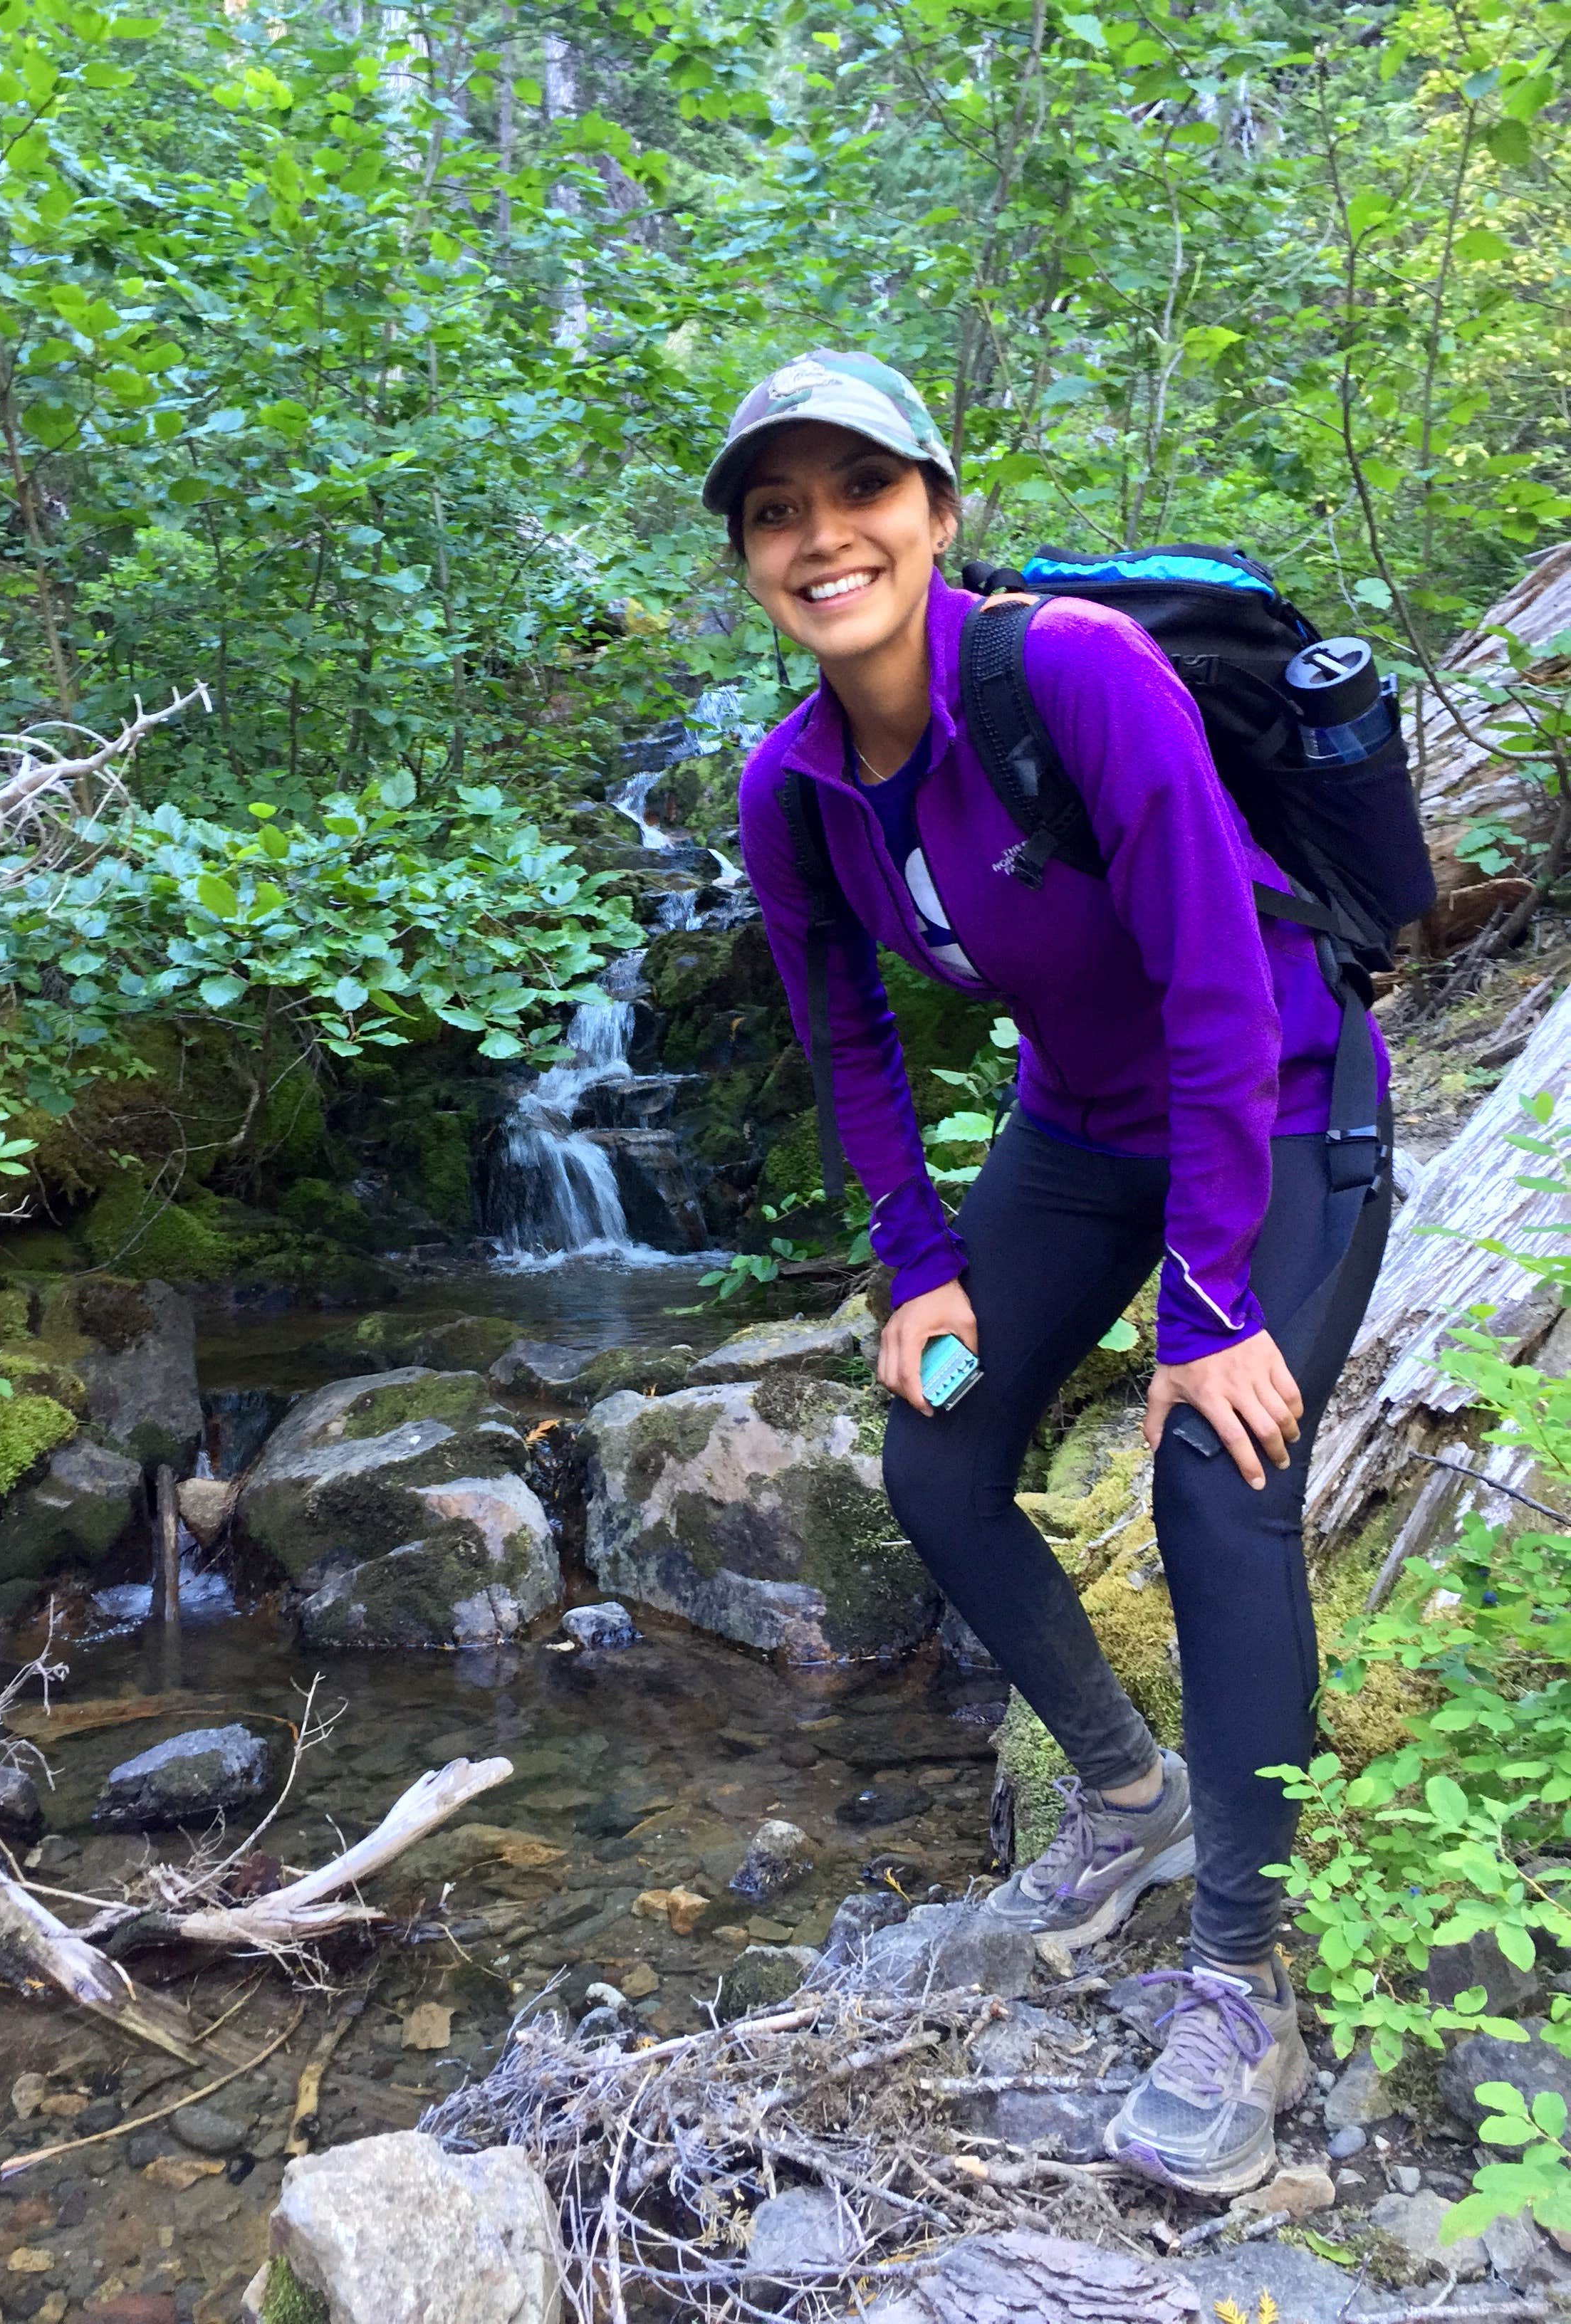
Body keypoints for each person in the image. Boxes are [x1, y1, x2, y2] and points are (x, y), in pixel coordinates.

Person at [706, 349, 1392, 2197]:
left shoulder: (1071, 673)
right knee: (933, 1454)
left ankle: (1239, 1976)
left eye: (860, 490)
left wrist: (1213, 1307)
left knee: (1212, 1464)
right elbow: (847, 1037)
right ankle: (1124, 1794)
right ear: (754, 564)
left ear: (937, 514)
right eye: (778, 511)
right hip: (1083, 1130)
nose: (821, 536)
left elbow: (1222, 989)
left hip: (1286, 1096)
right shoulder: (793, 793)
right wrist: (917, 1266)